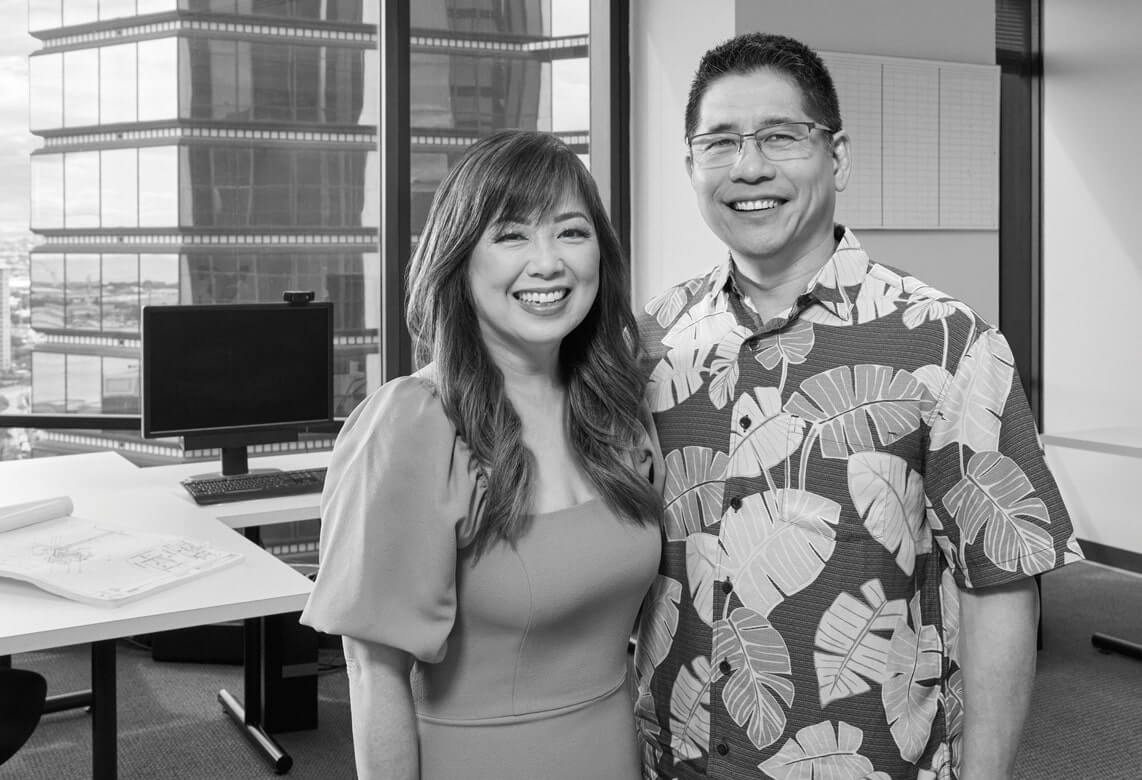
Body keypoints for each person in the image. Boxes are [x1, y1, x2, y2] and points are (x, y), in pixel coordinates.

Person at [632, 32, 1082, 780]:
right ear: (691, 165)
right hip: (671, 761)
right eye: (721, 142)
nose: (749, 167)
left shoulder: (947, 341)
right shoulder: (651, 340)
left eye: (781, 136)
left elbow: (1000, 585)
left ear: (836, 156)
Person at [300, 129, 664, 780]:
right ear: (459, 260)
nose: (548, 262)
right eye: (512, 234)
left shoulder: (617, 410)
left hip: (614, 755)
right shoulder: (413, 424)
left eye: (571, 232)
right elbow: (373, 671)